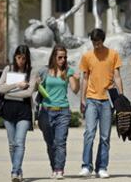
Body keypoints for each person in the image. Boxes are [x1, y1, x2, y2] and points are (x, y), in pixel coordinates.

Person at [79, 28, 124, 179]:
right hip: (91, 99)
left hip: (108, 100)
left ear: (102, 40)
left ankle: (102, 167)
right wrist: (82, 99)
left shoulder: (113, 55)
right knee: (89, 133)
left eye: (98, 42)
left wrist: (121, 98)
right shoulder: (87, 56)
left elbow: (117, 76)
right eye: (93, 42)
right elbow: (85, 78)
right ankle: (86, 166)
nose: (96, 45)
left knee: (105, 136)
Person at [37, 44, 80, 179]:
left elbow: (75, 89)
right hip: (46, 111)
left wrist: (77, 79)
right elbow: (35, 88)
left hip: (63, 111)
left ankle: (59, 169)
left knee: (60, 142)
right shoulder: (44, 71)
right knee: (51, 143)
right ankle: (54, 167)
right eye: (60, 57)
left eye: (65, 57)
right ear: (54, 57)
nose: (63, 60)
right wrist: (35, 82)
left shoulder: (68, 71)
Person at [0, 45, 37, 182]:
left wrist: (9, 93)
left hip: (24, 111)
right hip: (8, 111)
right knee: (12, 144)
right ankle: (18, 170)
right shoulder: (8, 69)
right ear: (15, 57)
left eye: (24, 58)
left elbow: (28, 92)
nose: (21, 61)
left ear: (27, 59)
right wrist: (16, 85)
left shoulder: (32, 72)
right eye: (18, 57)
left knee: (20, 142)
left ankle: (14, 172)